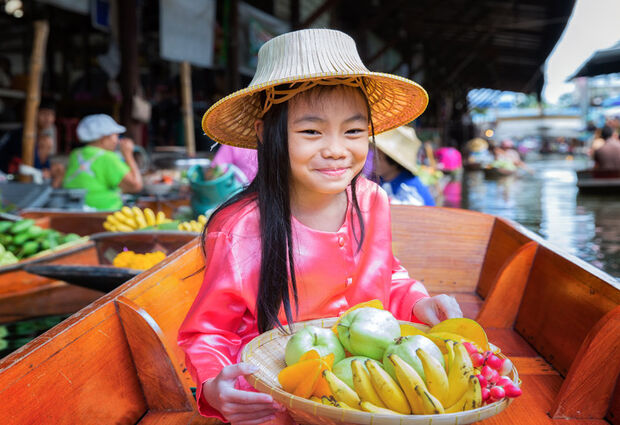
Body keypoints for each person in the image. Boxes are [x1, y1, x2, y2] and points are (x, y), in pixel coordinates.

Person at [177, 29, 462, 425]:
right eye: (311, 131)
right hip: (273, 397)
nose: (336, 149)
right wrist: (213, 386)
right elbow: (208, 333)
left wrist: (418, 303)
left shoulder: (371, 200)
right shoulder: (239, 226)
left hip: (367, 385)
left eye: (354, 131)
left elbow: (389, 274)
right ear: (266, 134)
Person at [63, 114, 143, 210]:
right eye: (115, 136)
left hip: (75, 210)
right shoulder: (107, 157)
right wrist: (128, 155)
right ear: (104, 138)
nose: (117, 141)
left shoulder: (75, 154)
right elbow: (136, 186)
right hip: (104, 213)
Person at [372, 126, 435, 206]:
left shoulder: (409, 188)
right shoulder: (380, 180)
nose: (373, 160)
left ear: (393, 161)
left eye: (379, 158)